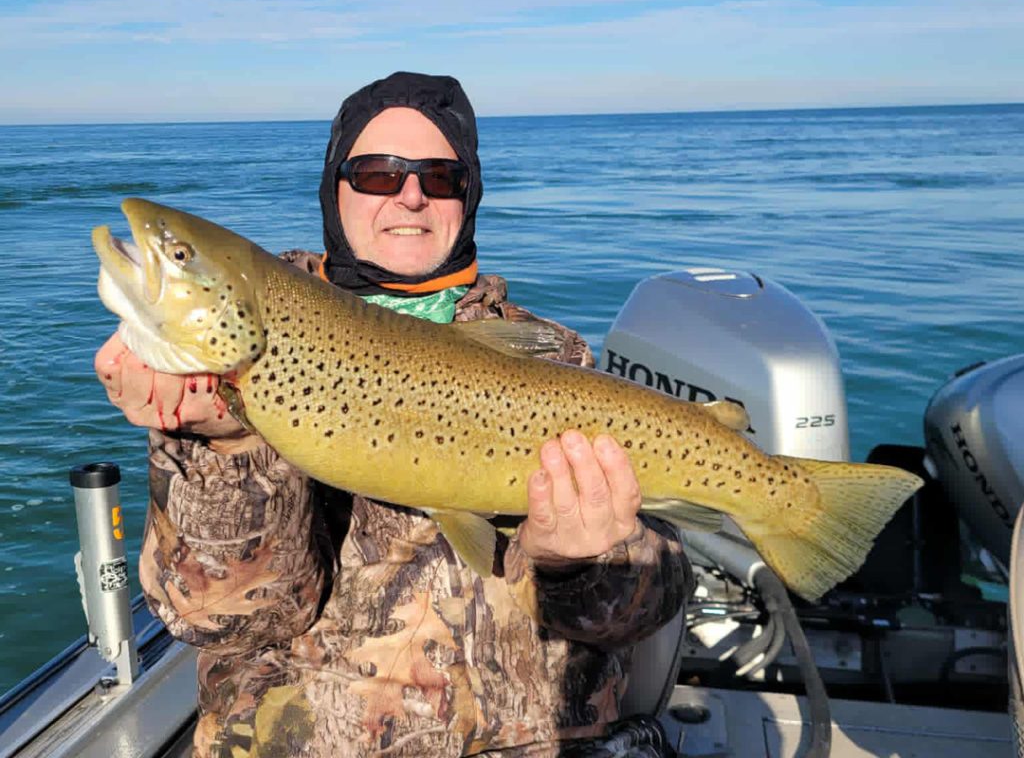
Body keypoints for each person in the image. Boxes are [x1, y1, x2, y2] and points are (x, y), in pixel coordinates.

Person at [95, 72, 692, 758]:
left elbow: (653, 599)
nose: (410, 194)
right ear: (335, 188)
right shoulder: (248, 361)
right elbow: (221, 620)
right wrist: (221, 444)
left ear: (467, 197)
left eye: (439, 176)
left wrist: (576, 563)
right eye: (377, 173)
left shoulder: (554, 358)